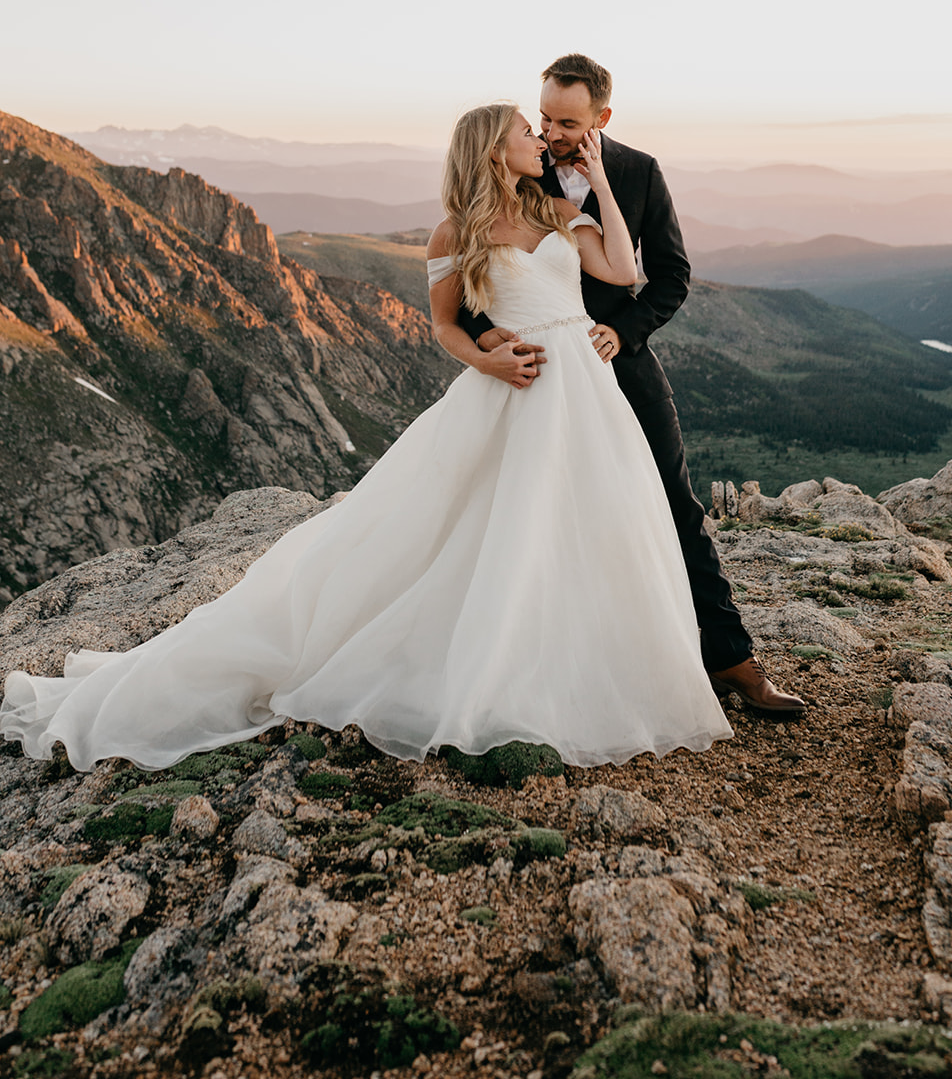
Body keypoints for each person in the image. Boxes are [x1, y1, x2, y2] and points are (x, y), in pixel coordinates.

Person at [1, 102, 732, 772]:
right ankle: (490, 670)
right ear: (490, 150)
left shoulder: (554, 207)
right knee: (500, 531)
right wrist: (487, 357)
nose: (538, 139)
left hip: (586, 384)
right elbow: (446, 323)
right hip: (520, 384)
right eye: (523, 131)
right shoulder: (454, 232)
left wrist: (600, 177)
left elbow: (621, 268)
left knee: (592, 525)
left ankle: (588, 663)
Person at [462, 55, 804, 716]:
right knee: (544, 519)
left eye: (566, 122)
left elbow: (671, 275)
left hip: (621, 363)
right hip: (539, 374)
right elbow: (479, 284)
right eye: (543, 119)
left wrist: (623, 332)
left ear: (601, 118)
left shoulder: (639, 171)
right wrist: (492, 346)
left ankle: (732, 661)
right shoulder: (517, 175)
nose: (551, 133)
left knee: (676, 507)